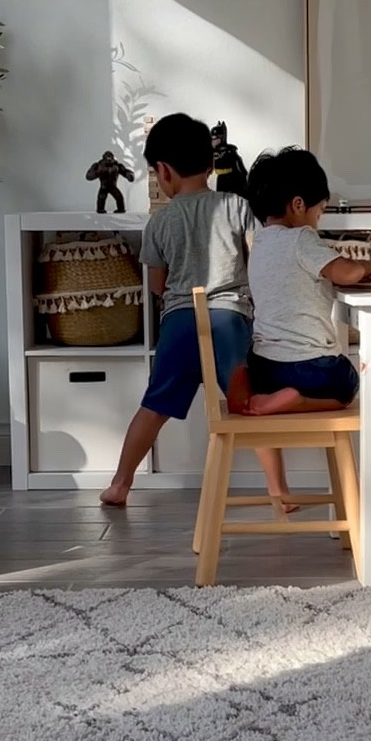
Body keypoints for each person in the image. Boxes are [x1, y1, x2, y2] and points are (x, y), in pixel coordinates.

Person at [100, 113, 292, 508]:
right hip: (230, 321)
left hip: (180, 324)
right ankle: (279, 492)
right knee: (250, 405)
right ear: (210, 164)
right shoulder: (237, 206)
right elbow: (259, 260)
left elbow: (157, 284)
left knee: (154, 407)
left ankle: (120, 484)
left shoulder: (160, 221)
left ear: (163, 172)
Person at [235, 147, 371, 416]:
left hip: (264, 369)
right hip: (307, 370)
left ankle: (273, 394)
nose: (317, 221)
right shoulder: (301, 238)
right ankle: (299, 400)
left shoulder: (260, 243)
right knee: (348, 382)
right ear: (299, 206)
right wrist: (365, 266)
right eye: (320, 212)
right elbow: (344, 273)